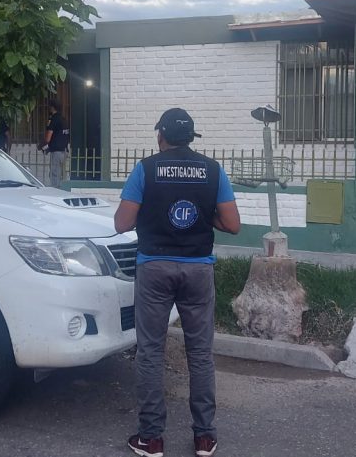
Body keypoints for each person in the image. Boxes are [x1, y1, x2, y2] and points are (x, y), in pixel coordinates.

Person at [114, 108, 241, 457]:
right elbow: (233, 224)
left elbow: (122, 223)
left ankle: (151, 438)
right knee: (200, 354)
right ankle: (205, 437)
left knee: (150, 352)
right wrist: (205, 215)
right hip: (198, 269)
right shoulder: (213, 170)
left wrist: (149, 209)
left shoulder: (145, 169)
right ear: (190, 138)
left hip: (154, 267)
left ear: (161, 136)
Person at [39, 100, 69, 188]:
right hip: (65, 151)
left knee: (55, 175)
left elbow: (48, 138)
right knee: (63, 176)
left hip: (56, 152)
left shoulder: (53, 119)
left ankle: (55, 192)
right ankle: (63, 192)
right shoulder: (64, 119)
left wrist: (41, 145)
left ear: (52, 107)